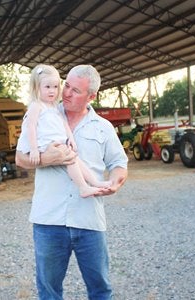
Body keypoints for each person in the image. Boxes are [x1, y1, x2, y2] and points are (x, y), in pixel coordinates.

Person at [16, 65, 128, 299]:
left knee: (100, 288)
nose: (65, 93)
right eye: (66, 85)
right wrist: (47, 159)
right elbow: (21, 158)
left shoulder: (103, 127)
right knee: (49, 290)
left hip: (89, 219)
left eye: (75, 90)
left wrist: (115, 182)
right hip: (49, 220)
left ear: (92, 96)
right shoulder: (43, 112)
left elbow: (119, 163)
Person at [17, 64, 111, 198]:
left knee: (75, 158)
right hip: (46, 143)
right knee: (70, 159)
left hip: (60, 141)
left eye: (55, 87)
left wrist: (71, 138)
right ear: (37, 87)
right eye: (47, 87)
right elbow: (30, 127)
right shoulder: (36, 106)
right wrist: (33, 149)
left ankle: (95, 181)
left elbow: (63, 123)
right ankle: (83, 187)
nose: (52, 91)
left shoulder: (53, 107)